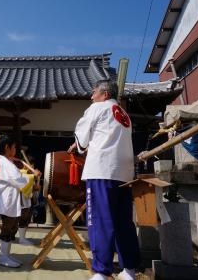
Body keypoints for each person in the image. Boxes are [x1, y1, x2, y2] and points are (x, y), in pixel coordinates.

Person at [68, 80, 140, 280]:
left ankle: (101, 271)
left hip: (101, 171)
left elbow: (82, 140)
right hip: (124, 173)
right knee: (123, 221)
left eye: (94, 93)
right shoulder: (124, 114)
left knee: (100, 220)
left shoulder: (96, 108)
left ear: (105, 94)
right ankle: (129, 270)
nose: (91, 97)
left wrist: (79, 145)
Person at [0, 135, 35, 268]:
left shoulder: (6, 162)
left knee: (12, 227)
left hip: (8, 200)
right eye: (13, 147)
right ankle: (3, 257)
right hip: (6, 200)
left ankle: (6, 255)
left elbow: (18, 178)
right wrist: (33, 180)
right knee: (8, 227)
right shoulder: (5, 163)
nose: (15, 149)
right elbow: (18, 180)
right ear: (6, 148)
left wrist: (28, 177)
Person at [16, 154, 40, 245]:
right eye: (30, 165)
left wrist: (37, 179)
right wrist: (33, 176)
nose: (32, 166)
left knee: (27, 218)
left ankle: (22, 238)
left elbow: (36, 187)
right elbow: (22, 180)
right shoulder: (20, 172)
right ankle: (19, 238)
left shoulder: (32, 173)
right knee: (21, 217)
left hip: (28, 197)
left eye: (32, 165)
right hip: (20, 197)